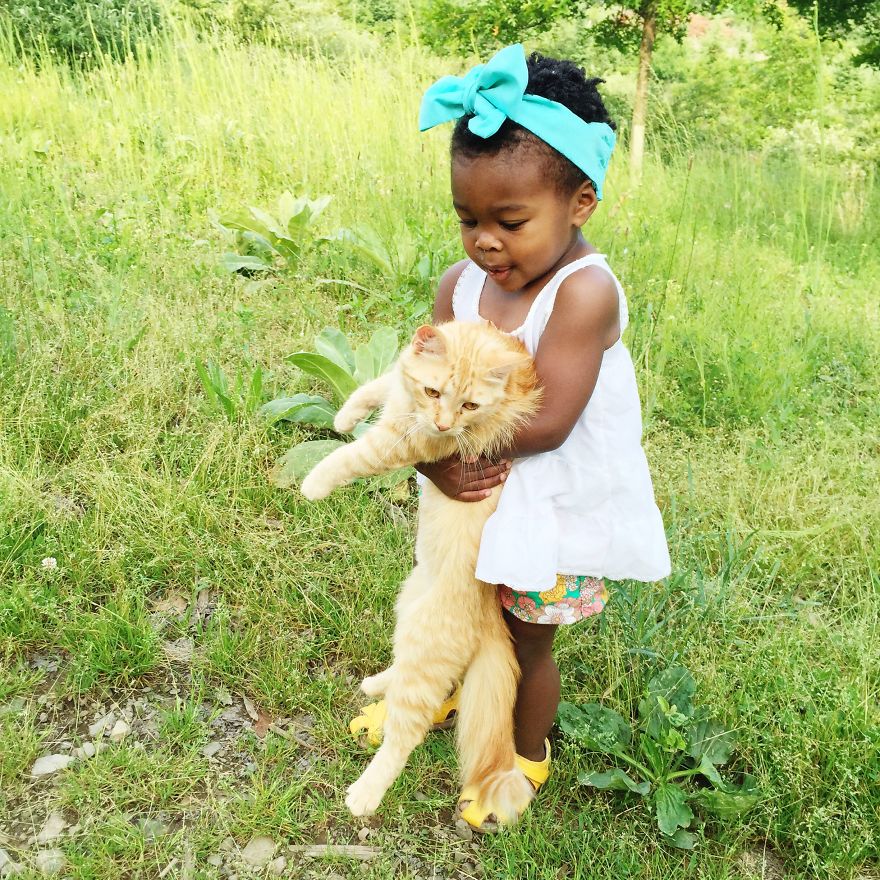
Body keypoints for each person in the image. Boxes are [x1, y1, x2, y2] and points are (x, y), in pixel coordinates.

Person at [351, 43, 671, 829]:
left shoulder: (584, 292)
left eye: (511, 221)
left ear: (581, 203)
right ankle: (446, 689)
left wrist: (440, 455)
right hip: (473, 499)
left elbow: (551, 423)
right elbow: (427, 397)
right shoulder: (460, 286)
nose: (485, 242)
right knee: (458, 605)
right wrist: (429, 469)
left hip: (546, 504)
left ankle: (521, 756)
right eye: (468, 219)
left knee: (526, 638)